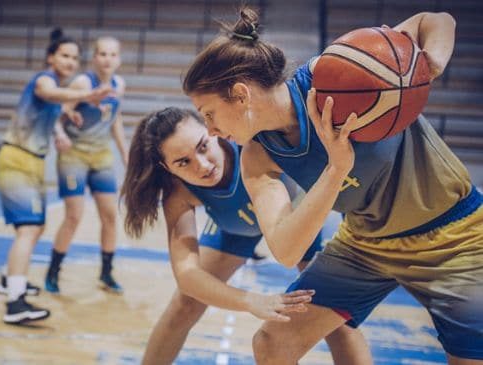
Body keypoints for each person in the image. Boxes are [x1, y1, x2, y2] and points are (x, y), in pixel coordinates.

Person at [183, 8, 483, 365]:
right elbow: (286, 249)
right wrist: (336, 170)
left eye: (209, 114)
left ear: (241, 94)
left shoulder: (337, 73)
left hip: (455, 237)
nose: (212, 131)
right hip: (365, 245)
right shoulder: (257, 156)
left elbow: (437, 20)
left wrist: (427, 64)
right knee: (273, 341)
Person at [121, 107, 372, 365]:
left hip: (298, 224)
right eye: (183, 162)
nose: (203, 165)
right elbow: (187, 275)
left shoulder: (251, 141)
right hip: (238, 231)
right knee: (184, 304)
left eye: (203, 146)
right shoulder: (178, 192)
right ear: (167, 167)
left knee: (334, 321)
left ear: (212, 131)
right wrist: (250, 300)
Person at [0, 28, 111, 324]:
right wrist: (87, 94)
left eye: (75, 57)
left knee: (37, 226)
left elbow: (50, 109)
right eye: (65, 55)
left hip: (32, 163)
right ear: (51, 57)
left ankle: (9, 279)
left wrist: (61, 127)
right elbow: (48, 93)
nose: (71, 62)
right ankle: (15, 304)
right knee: (29, 230)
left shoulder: (59, 90)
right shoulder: (44, 79)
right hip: (17, 159)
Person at [44, 36, 128, 294]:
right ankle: (53, 271)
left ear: (119, 60)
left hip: (101, 155)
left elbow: (114, 119)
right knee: (74, 215)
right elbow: (57, 113)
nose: (107, 59)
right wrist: (60, 133)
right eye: (102, 53)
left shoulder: (119, 85)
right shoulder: (83, 82)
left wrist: (126, 155)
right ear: (94, 58)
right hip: (75, 155)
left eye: (112, 54)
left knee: (110, 216)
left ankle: (106, 272)